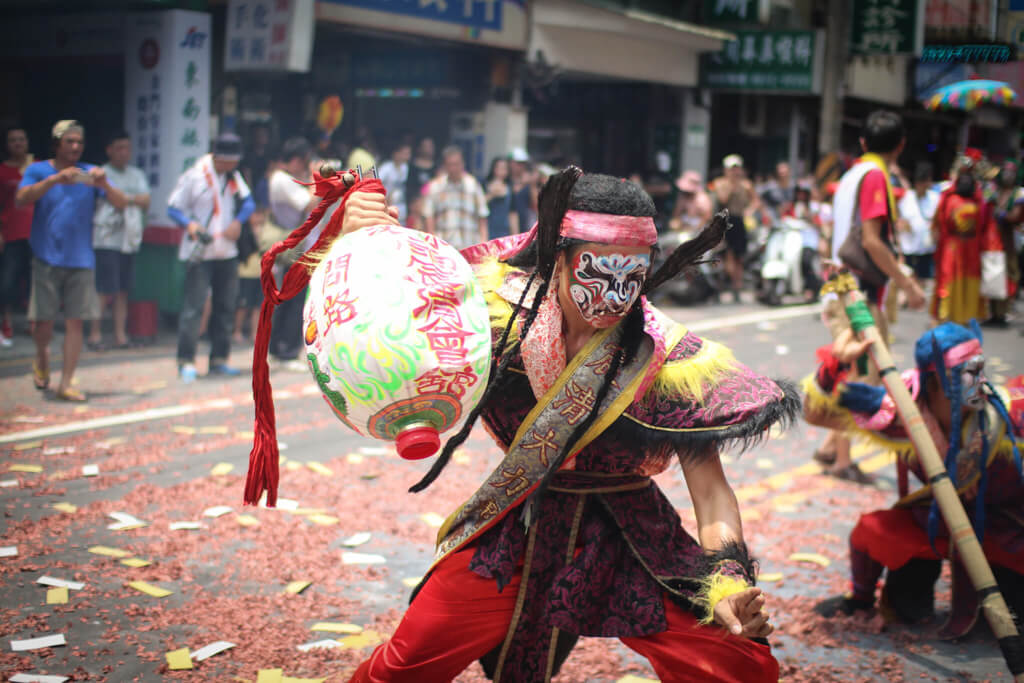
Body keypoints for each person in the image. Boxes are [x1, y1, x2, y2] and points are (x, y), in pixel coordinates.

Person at [299, 169, 801, 683]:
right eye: (599, 270)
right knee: (403, 666)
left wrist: (729, 583)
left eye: (633, 275)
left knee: (741, 663)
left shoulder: (669, 362)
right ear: (557, 258)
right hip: (516, 524)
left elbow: (712, 494)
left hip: (631, 537)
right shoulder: (490, 319)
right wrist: (362, 237)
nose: (614, 294)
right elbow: (390, 305)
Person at [805, 321, 1023, 638]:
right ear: (933, 385)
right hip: (942, 519)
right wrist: (837, 363)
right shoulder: (903, 413)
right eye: (966, 377)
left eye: (979, 373)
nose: (978, 387)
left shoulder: (1008, 414)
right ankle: (863, 598)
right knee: (875, 531)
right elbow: (815, 411)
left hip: (1008, 525)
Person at [815, 111, 928, 478]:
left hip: (843, 288)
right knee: (861, 374)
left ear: (863, 143)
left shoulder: (851, 174)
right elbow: (871, 241)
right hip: (858, 295)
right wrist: (909, 284)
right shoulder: (876, 176)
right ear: (901, 145)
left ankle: (831, 449)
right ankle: (844, 461)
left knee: (851, 366)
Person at [15, 120, 129, 401]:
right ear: (57, 143)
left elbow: (121, 202)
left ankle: (66, 381)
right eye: (70, 141)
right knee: (42, 323)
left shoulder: (90, 173)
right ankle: (42, 357)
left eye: (79, 141)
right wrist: (55, 180)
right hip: (46, 257)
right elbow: (20, 199)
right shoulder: (38, 170)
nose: (76, 146)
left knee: (75, 322)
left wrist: (103, 183)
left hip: (81, 259)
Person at [167, 132, 254, 383]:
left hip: (226, 249)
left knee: (226, 305)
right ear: (219, 157)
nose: (234, 165)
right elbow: (173, 208)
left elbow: (248, 203)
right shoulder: (195, 176)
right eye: (231, 160)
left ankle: (219, 358)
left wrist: (238, 222)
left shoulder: (233, 176)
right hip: (202, 250)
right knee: (194, 307)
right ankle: (186, 360)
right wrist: (190, 225)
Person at [88, 131, 150, 350]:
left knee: (123, 290)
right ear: (109, 150)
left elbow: (145, 200)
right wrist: (126, 199)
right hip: (107, 239)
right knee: (105, 289)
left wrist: (126, 198)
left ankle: (120, 336)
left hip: (129, 239)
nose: (124, 152)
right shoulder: (100, 173)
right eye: (119, 148)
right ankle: (94, 334)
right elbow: (117, 201)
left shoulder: (136, 174)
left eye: (127, 147)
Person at [266, 136, 318, 370]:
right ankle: (285, 351)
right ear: (297, 160)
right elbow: (308, 205)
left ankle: (279, 350)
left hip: (298, 247)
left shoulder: (289, 179)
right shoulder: (281, 179)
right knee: (294, 301)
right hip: (292, 249)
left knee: (289, 299)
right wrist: (318, 183)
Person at [930, 158, 996, 326]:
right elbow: (939, 223)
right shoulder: (948, 198)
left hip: (972, 248)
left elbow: (986, 226)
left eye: (970, 176)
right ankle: (946, 315)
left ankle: (967, 316)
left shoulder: (980, 201)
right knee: (949, 278)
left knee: (969, 281)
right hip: (953, 247)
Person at [0, 126, 34, 346]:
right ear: (7, 145)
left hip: (36, 234)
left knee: (34, 282)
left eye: (21, 139)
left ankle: (33, 324)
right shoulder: (2, 171)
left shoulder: (38, 168)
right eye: (13, 140)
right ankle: (6, 323)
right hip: (10, 233)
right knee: (7, 282)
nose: (18, 144)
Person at [711, 154, 760, 300]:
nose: (735, 172)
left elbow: (755, 201)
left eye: (737, 169)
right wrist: (732, 185)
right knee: (724, 255)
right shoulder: (720, 183)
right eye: (732, 169)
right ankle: (721, 286)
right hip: (725, 220)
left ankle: (736, 287)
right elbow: (722, 199)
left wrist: (749, 211)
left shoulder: (746, 185)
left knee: (738, 256)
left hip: (739, 220)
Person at [423, 146, 489, 249]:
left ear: (462, 164)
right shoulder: (436, 186)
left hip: (469, 244)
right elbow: (429, 215)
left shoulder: (473, 185)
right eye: (450, 165)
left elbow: (482, 215)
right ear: (445, 166)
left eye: (456, 164)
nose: (453, 168)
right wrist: (431, 241)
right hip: (444, 245)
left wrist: (484, 241)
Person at [986, 161, 1023, 328]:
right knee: (992, 276)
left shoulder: (1018, 193)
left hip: (1009, 241)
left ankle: (1003, 313)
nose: (1008, 175)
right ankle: (994, 313)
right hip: (993, 242)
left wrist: (1001, 214)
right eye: (1005, 172)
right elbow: (985, 203)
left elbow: (1015, 216)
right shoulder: (995, 191)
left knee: (1008, 276)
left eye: (1011, 172)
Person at [896, 162, 938, 293]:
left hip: (927, 245)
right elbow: (898, 218)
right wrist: (902, 225)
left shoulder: (935, 198)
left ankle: (919, 296)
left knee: (925, 276)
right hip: (909, 244)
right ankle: (912, 294)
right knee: (909, 272)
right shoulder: (906, 198)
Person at [405, 137, 436, 227]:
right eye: (426, 146)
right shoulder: (410, 167)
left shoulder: (437, 168)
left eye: (430, 146)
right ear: (419, 148)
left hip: (431, 205)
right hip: (415, 207)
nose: (428, 149)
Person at [484, 156, 517, 240]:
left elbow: (512, 214)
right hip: (489, 229)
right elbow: (480, 205)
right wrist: (492, 194)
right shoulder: (485, 184)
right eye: (499, 168)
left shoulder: (510, 188)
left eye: (504, 168)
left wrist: (515, 235)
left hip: (504, 231)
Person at [377, 142, 411, 224]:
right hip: (387, 207)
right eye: (404, 154)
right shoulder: (386, 168)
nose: (407, 156)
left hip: (402, 209)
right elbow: (375, 182)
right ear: (396, 153)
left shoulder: (406, 168)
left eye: (408, 154)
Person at [509, 147, 537, 230]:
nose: (521, 166)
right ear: (511, 163)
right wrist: (522, 183)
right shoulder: (506, 180)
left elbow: (535, 203)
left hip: (525, 224)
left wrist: (532, 184)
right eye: (518, 163)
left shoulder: (529, 183)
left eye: (523, 163)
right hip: (506, 226)